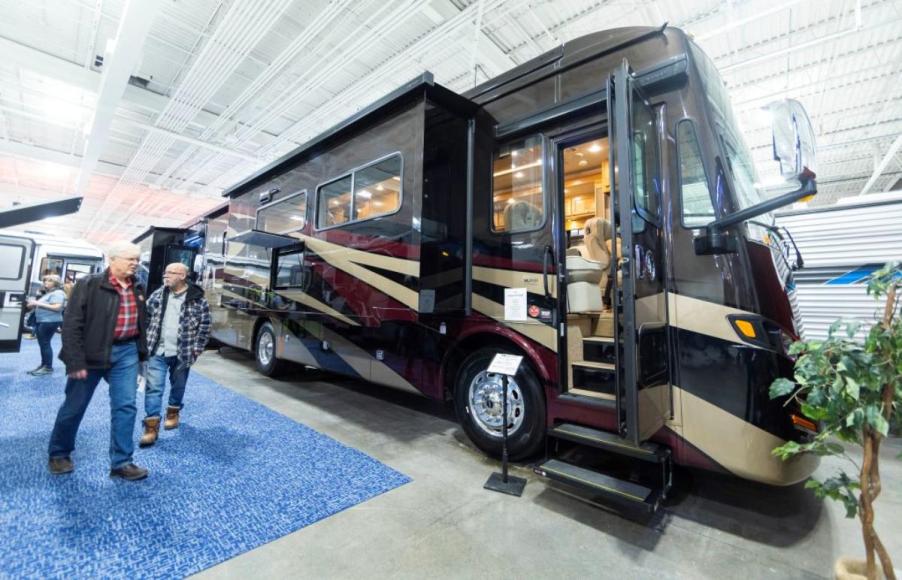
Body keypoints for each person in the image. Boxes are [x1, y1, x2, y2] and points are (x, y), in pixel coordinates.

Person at [48, 242, 150, 481]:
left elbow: (141, 322)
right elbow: (72, 324)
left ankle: (122, 462)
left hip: (126, 352)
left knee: (126, 406)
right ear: (112, 259)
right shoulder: (89, 284)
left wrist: (141, 352)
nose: (135, 263)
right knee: (75, 405)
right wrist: (74, 361)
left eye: (137, 259)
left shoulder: (138, 286)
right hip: (90, 354)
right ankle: (59, 453)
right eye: (130, 259)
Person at [140, 262, 211, 447]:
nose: (166, 276)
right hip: (157, 350)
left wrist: (197, 349)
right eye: (166, 272)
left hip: (183, 352)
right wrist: (144, 340)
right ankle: (151, 427)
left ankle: (173, 411)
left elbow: (205, 326)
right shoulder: (158, 294)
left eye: (171, 273)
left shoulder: (198, 299)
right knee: (154, 388)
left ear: (182, 276)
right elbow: (145, 316)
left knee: (178, 386)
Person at [26, 275, 67, 376]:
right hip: (44, 321)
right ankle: (44, 365)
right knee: (43, 344)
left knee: (45, 343)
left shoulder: (58, 293)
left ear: (56, 283)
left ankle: (48, 367)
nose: (45, 282)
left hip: (50, 321)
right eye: (45, 281)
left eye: (49, 281)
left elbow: (57, 307)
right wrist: (34, 304)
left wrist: (37, 303)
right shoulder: (50, 293)